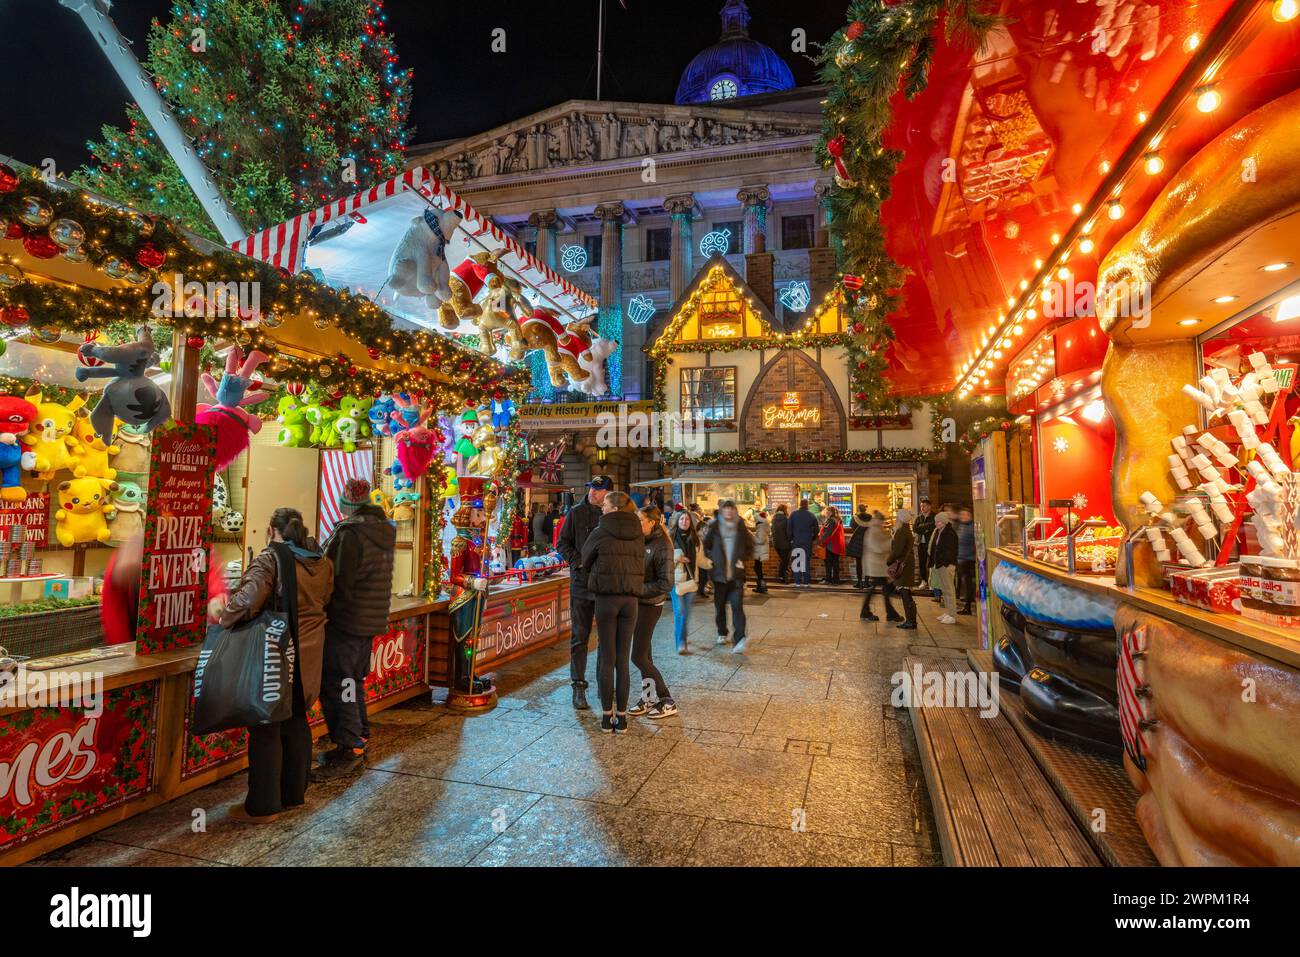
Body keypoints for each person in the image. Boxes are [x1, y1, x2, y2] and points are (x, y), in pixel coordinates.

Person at [220, 508, 334, 822]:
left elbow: (246, 601)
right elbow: (324, 600)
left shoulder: (270, 560)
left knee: (266, 727)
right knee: (297, 719)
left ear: (271, 530)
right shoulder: (321, 561)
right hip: (308, 656)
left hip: (275, 651)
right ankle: (293, 795)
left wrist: (223, 615)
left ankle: (263, 804)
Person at [313, 478, 396, 781]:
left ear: (349, 502)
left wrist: (325, 608)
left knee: (340, 682)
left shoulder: (351, 534)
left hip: (347, 620)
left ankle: (349, 747)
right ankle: (359, 734)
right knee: (353, 681)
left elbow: (339, 580)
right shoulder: (383, 530)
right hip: (370, 619)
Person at [579, 491, 644, 733]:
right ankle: (623, 717)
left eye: (605, 504)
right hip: (631, 600)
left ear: (615, 508)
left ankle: (607, 718)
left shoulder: (601, 530)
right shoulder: (638, 531)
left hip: (606, 599)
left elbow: (585, 558)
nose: (602, 508)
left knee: (607, 657)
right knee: (622, 660)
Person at [556, 475, 613, 710]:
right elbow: (562, 544)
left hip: (603, 585)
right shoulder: (576, 512)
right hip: (581, 584)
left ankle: (603, 684)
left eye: (598, 490)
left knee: (605, 638)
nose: (593, 492)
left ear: (608, 492)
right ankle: (578, 685)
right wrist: (578, 562)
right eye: (591, 488)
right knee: (580, 637)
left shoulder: (612, 515)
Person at [628, 505, 677, 718]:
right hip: (638, 603)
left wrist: (636, 590)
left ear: (652, 522)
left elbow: (666, 583)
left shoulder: (663, 545)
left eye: (640, 520)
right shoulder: (641, 541)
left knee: (638, 657)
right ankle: (648, 698)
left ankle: (667, 699)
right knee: (645, 656)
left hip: (650, 605)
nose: (637, 524)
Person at [703, 499, 754, 652]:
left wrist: (742, 558)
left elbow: (749, 547)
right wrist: (713, 558)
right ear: (722, 511)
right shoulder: (715, 527)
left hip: (736, 575)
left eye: (732, 508)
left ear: (735, 510)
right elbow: (706, 546)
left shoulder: (741, 526)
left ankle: (739, 639)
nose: (729, 511)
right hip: (719, 576)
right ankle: (722, 632)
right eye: (726, 508)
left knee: (737, 607)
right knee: (720, 607)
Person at [883, 507, 918, 629]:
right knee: (905, 592)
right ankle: (911, 620)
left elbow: (897, 550)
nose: (896, 519)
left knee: (905, 593)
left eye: (897, 517)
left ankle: (911, 621)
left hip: (903, 565)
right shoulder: (906, 530)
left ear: (901, 519)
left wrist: (889, 561)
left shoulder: (901, 531)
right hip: (906, 563)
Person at [669, 509, 698, 655]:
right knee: (679, 612)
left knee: (686, 613)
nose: (684, 522)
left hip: (692, 581)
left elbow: (702, 559)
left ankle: (683, 638)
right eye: (681, 519)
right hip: (676, 581)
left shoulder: (695, 538)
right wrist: (677, 558)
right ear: (677, 521)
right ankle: (681, 643)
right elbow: (663, 560)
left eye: (687, 519)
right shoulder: (671, 538)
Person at [859, 511, 892, 620]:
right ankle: (866, 611)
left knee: (883, 589)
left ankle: (890, 613)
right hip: (876, 565)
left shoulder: (876, 529)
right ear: (878, 520)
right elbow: (878, 548)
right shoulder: (874, 531)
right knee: (877, 589)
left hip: (878, 565)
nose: (882, 523)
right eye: (881, 521)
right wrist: (891, 542)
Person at [930, 511, 959, 624]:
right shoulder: (939, 532)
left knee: (949, 589)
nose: (936, 524)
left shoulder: (950, 534)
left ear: (944, 522)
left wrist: (945, 563)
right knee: (944, 589)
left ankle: (952, 614)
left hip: (946, 565)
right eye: (936, 522)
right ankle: (948, 612)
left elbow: (951, 551)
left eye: (939, 522)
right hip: (940, 564)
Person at [788, 499, 819, 587]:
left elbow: (789, 529)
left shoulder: (793, 514)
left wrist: (791, 539)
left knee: (796, 561)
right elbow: (816, 530)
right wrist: (812, 538)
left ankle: (797, 582)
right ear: (807, 505)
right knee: (806, 561)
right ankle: (805, 582)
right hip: (807, 542)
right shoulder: (811, 515)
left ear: (800, 504)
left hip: (796, 541)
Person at [956, 506, 977, 615]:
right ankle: (968, 602)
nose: (963, 517)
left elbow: (976, 543)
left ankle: (968, 606)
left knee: (968, 583)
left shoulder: (972, 527)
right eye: (961, 515)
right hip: (961, 558)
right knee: (966, 583)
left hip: (968, 559)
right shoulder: (962, 526)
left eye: (966, 515)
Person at [845, 504, 871, 588]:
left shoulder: (855, 517)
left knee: (858, 562)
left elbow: (851, 526)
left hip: (858, 540)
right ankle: (866, 582)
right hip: (868, 540)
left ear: (858, 509)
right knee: (867, 563)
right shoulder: (870, 517)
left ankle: (859, 582)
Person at [819, 505, 845, 585]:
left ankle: (828, 579)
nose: (825, 513)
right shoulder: (838, 520)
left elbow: (827, 533)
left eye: (827, 511)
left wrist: (821, 541)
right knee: (835, 563)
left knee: (829, 563)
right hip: (836, 544)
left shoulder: (831, 521)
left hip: (831, 545)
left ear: (830, 512)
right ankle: (836, 579)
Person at [914, 499, 936, 594]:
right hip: (921, 544)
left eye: (924, 506)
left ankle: (932, 582)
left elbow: (932, 526)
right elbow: (915, 528)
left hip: (931, 544)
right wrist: (925, 528)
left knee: (931, 563)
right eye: (921, 506)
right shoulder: (919, 517)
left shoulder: (934, 517)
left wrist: (921, 528)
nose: (922, 508)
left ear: (929, 506)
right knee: (922, 563)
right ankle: (924, 581)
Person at [771, 503, 791, 584]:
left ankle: (782, 576)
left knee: (783, 560)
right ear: (784, 510)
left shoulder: (773, 518)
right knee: (785, 560)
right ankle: (783, 577)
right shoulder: (786, 519)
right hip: (785, 544)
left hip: (776, 544)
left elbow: (772, 530)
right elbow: (788, 532)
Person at [751, 510, 770, 594]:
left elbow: (760, 540)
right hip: (761, 550)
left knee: (757, 568)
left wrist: (752, 536)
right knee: (757, 567)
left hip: (760, 550)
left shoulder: (761, 527)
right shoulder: (764, 526)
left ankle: (762, 586)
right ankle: (760, 586)